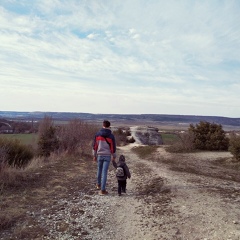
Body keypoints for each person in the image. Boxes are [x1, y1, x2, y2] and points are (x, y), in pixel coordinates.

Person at [92, 120, 116, 195]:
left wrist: (94, 155)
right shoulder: (111, 136)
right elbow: (113, 147)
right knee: (104, 172)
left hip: (99, 155)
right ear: (109, 126)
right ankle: (103, 190)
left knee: (99, 170)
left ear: (103, 125)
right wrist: (114, 156)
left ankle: (98, 185)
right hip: (107, 156)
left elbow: (94, 146)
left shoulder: (97, 134)